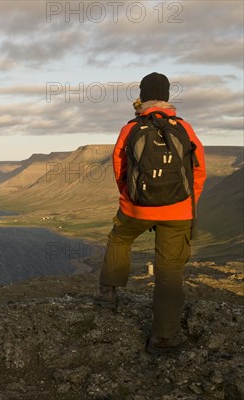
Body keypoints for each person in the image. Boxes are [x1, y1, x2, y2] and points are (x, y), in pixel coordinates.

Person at [95, 72, 206, 355]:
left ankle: (108, 294)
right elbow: (198, 172)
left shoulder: (130, 128)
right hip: (179, 211)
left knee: (120, 239)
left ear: (142, 97)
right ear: (167, 97)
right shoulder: (185, 128)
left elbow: (120, 168)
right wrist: (182, 202)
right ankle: (164, 340)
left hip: (136, 207)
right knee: (169, 272)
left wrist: (129, 198)